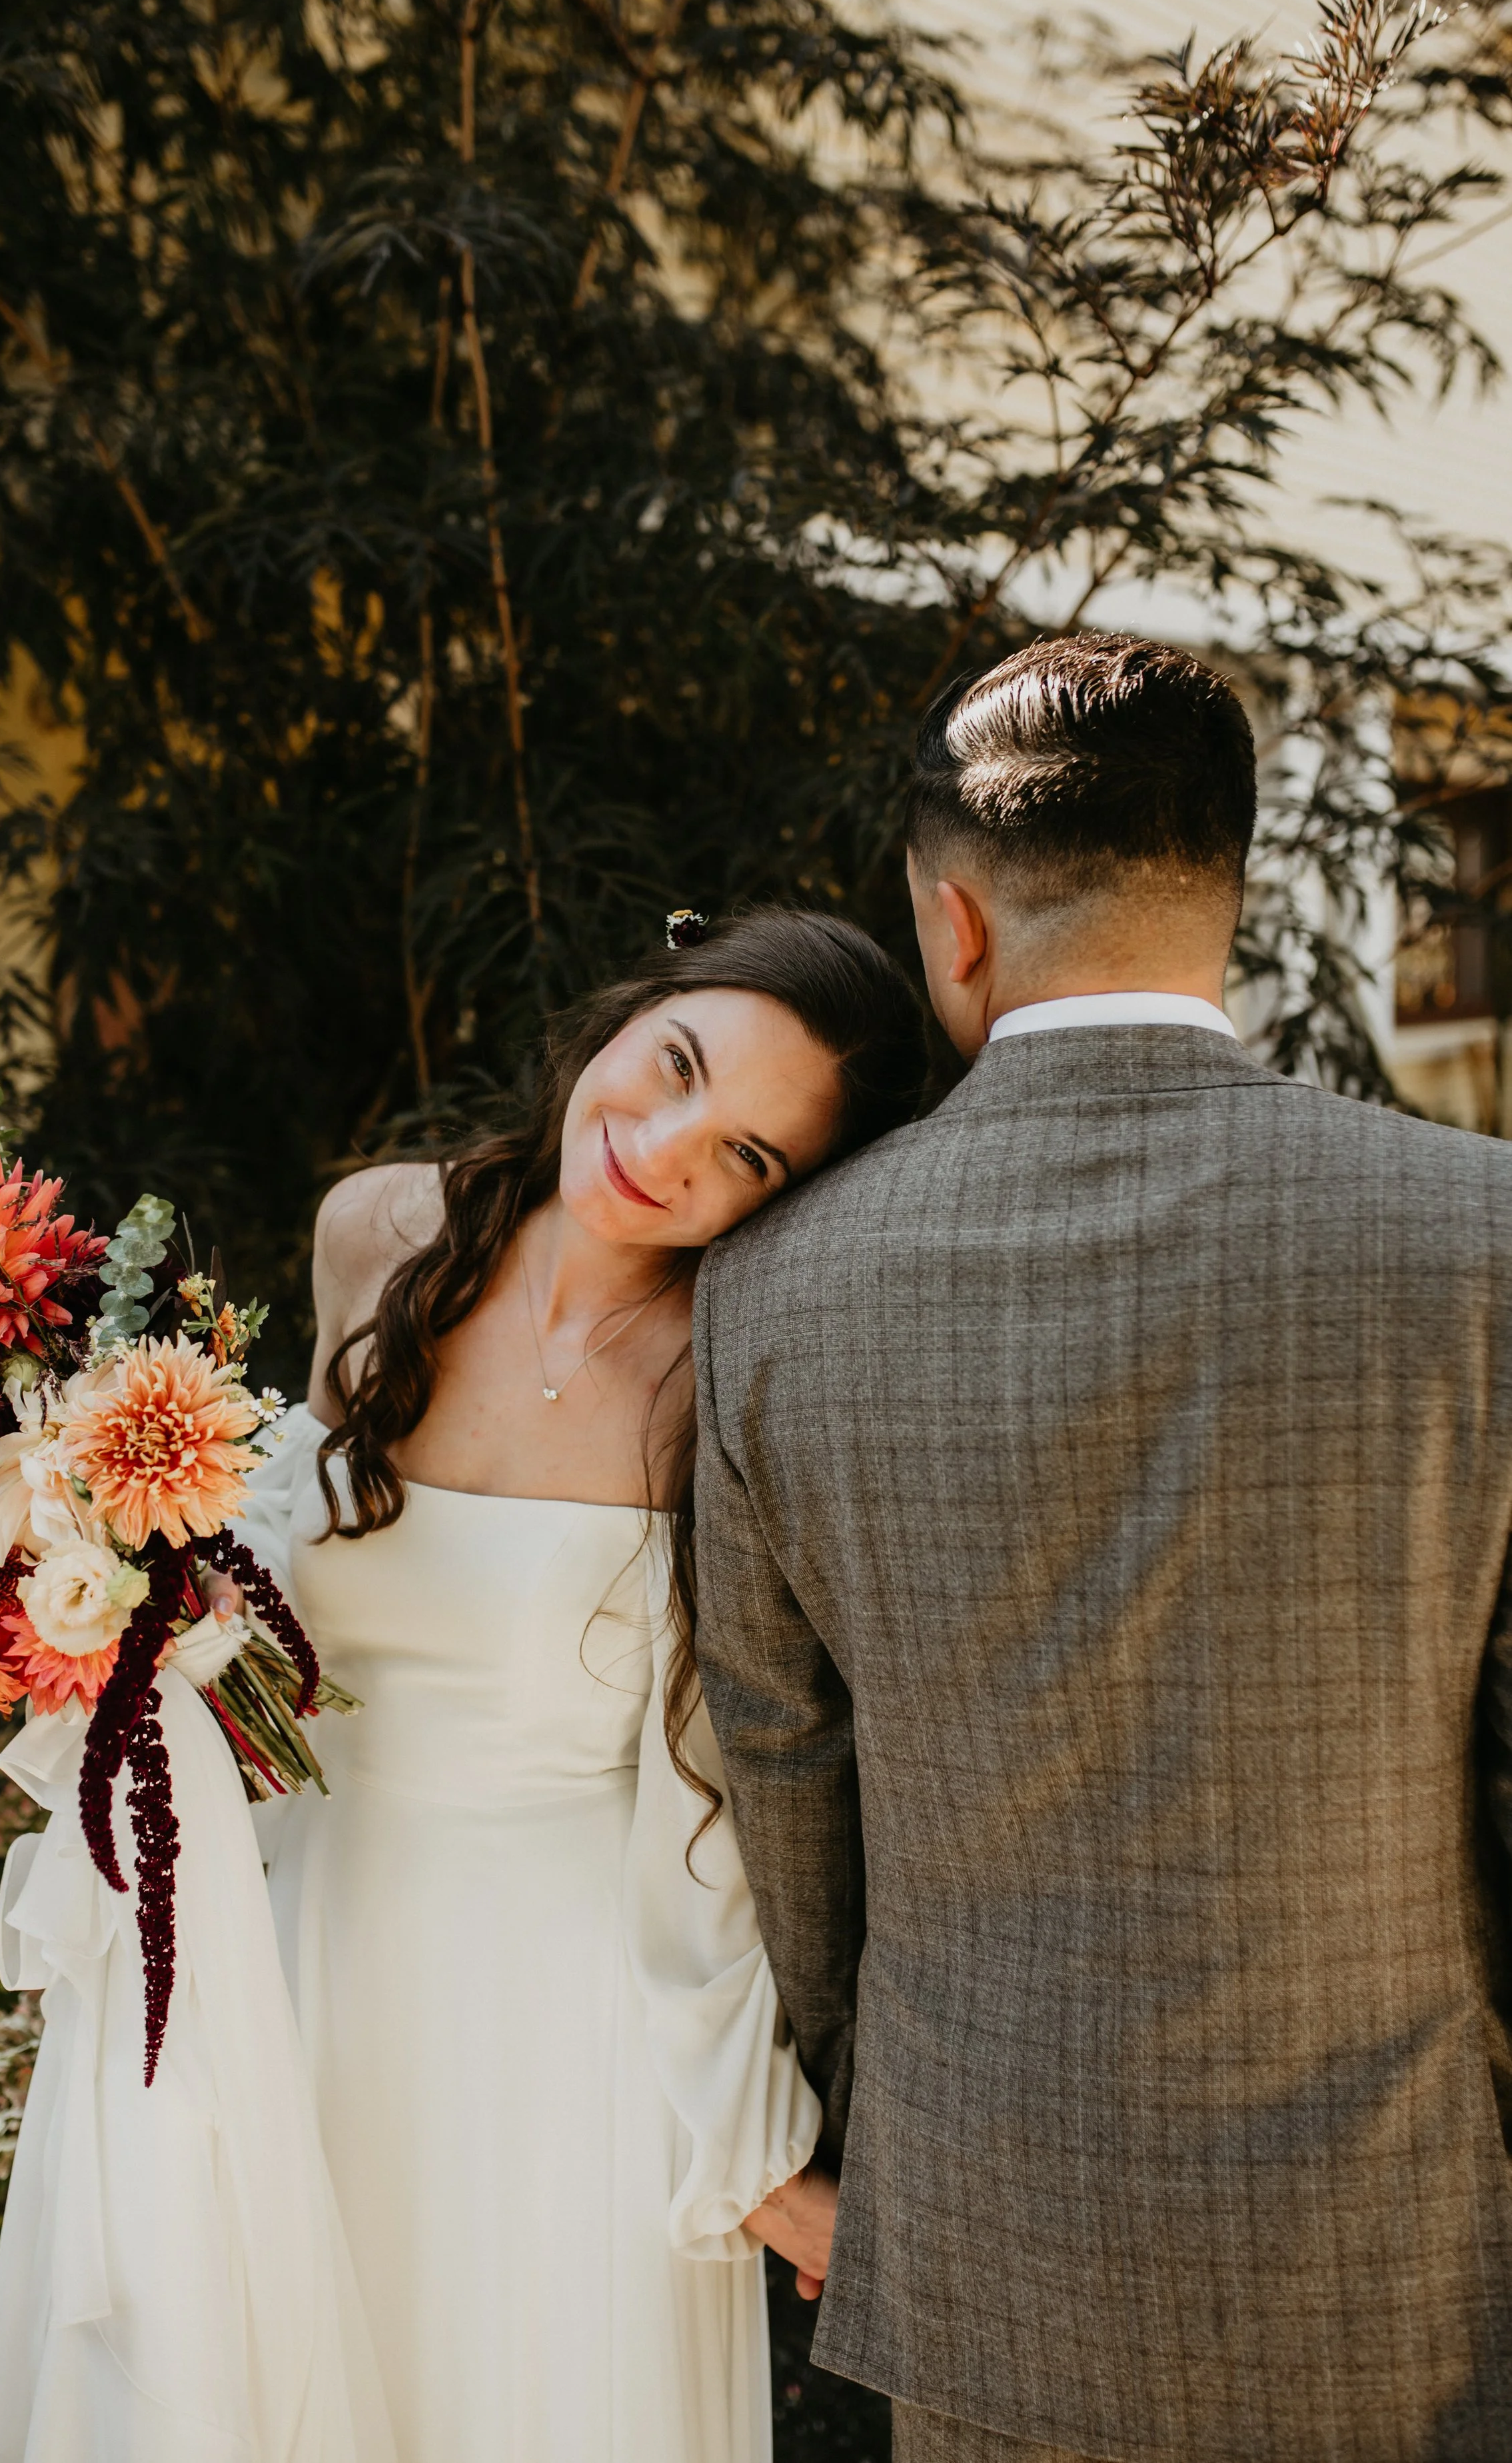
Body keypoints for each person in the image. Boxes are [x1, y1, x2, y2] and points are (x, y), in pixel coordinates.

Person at [693, 633, 1512, 2461]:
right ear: (1221, 891)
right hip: (1400, 2244)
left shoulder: (770, 1289)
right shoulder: (1482, 1240)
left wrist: (870, 2102)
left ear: (952, 923)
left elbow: (782, 1772)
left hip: (990, 2240)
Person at [226, 907, 927, 2463]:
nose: (664, 1148)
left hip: (570, 2034)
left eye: (744, 1155)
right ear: (626, 1011)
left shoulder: (723, 1362)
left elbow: (715, 1784)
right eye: (673, 1065)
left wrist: (746, 2141)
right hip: (297, 1960)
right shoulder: (372, 1232)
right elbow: (263, 1608)